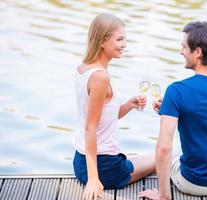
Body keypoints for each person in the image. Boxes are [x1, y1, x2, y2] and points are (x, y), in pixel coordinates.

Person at [139, 21, 207, 200]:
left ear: (197, 52)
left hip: (194, 183)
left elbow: (164, 148)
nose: (180, 51)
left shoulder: (177, 91)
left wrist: (163, 195)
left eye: (184, 47)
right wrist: (171, 109)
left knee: (172, 157)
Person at [72, 13, 155, 200]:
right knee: (162, 157)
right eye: (119, 39)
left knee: (145, 157)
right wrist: (94, 179)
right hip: (104, 169)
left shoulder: (83, 68)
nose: (124, 44)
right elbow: (90, 127)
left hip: (80, 162)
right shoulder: (101, 77)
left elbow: (101, 116)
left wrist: (129, 105)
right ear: (102, 41)